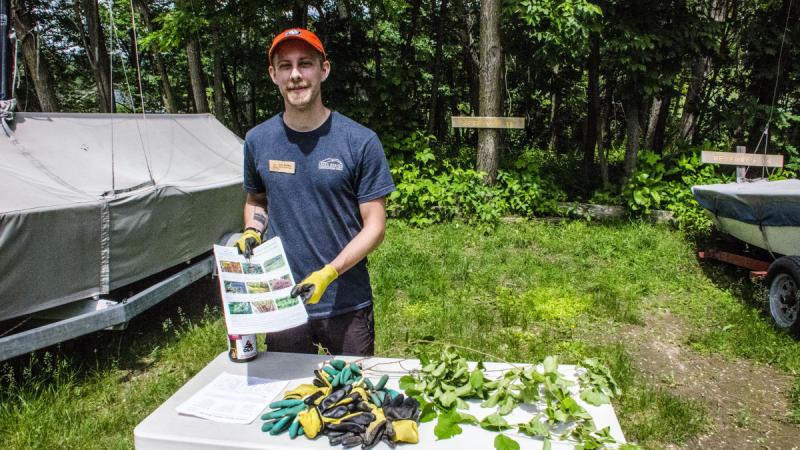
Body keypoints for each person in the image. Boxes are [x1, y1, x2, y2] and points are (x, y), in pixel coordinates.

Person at [234, 28, 395, 356]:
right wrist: (252, 230)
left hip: (345, 300)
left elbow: (375, 226)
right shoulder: (257, 141)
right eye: (285, 66)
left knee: (353, 399)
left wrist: (330, 271)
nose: (295, 75)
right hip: (284, 300)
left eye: (305, 64)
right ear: (273, 75)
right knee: (290, 400)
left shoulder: (359, 141)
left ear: (324, 69)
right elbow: (257, 198)